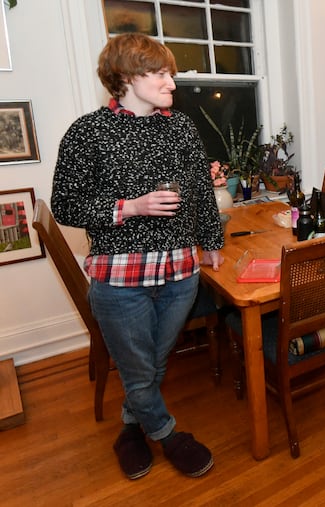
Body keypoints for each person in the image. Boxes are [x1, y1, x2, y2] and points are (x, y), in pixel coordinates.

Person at [51, 33, 223, 479]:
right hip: (119, 279)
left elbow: (202, 191)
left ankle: (131, 427)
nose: (171, 82)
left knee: (150, 363)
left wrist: (211, 241)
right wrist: (129, 207)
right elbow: (67, 205)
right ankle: (167, 434)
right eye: (160, 73)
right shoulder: (87, 132)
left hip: (181, 273)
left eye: (171, 73)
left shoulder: (180, 127)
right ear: (126, 77)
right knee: (141, 368)